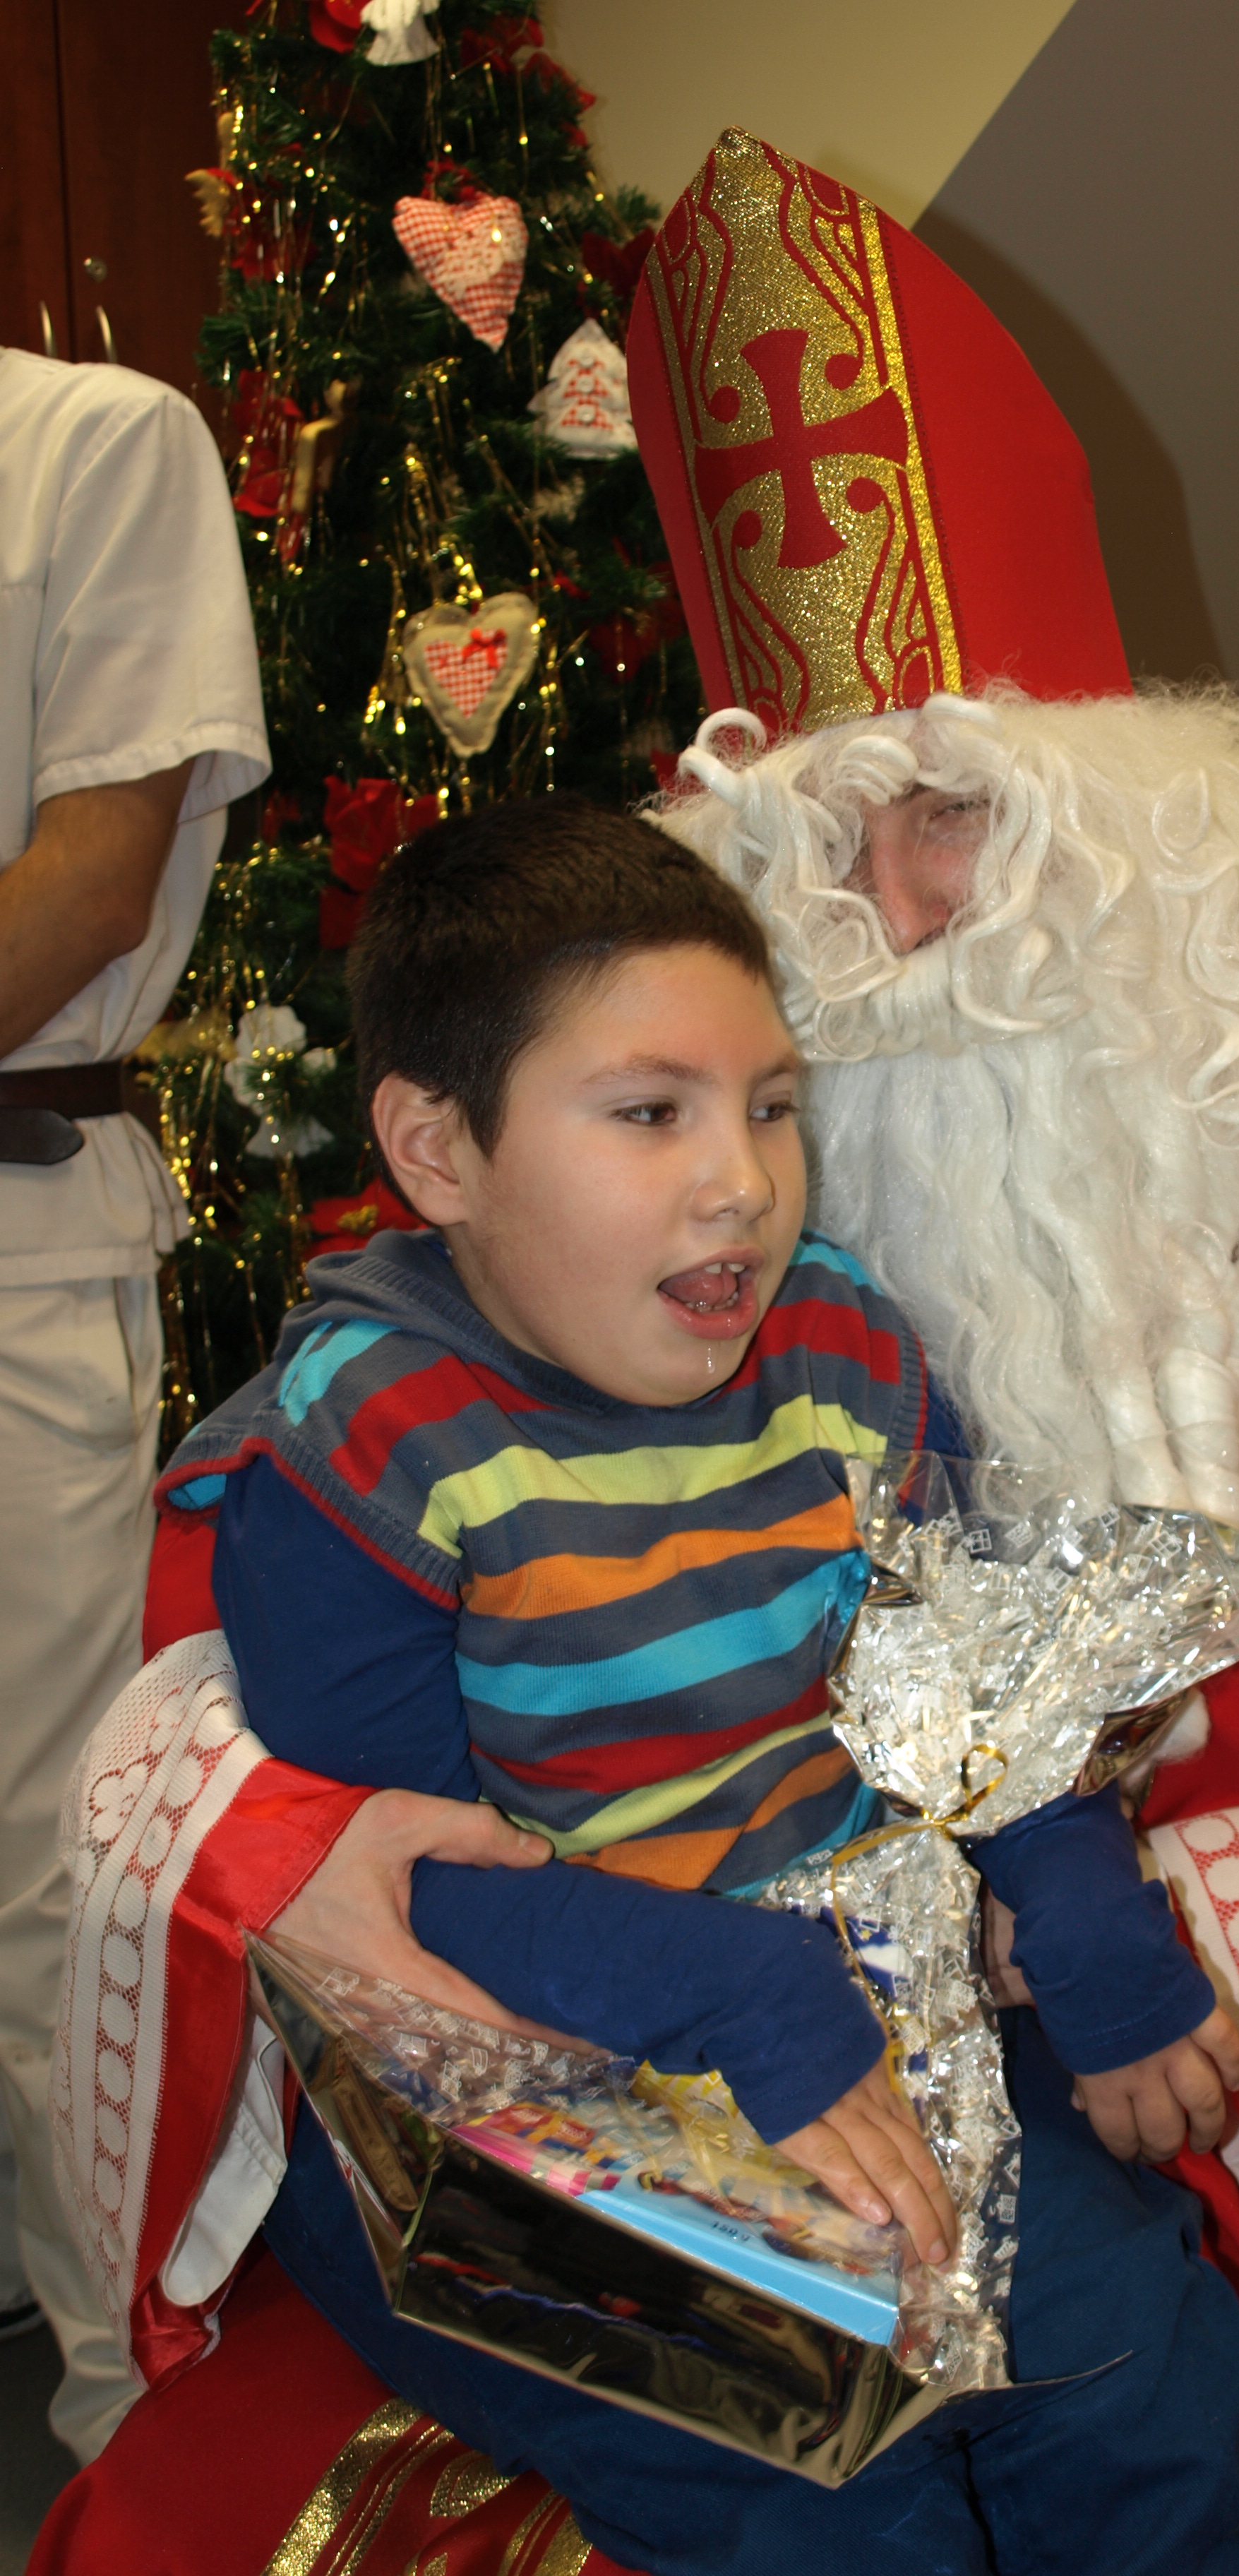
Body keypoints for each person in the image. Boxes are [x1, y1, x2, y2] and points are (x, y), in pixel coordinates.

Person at [40, 132, 1239, 2576]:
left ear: (1150, 843)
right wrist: (292, 1855)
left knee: (1131, 2419)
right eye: (830, 837)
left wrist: (1092, 1933)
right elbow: (258, 1649)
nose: (902, 914)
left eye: (960, 817)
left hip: (1189, 2102)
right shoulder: (580, 1264)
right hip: (632, 2064)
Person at [103, 790, 1239, 2575]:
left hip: (854, 2006)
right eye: (652, 1113)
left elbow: (964, 1676)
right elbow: (398, 1887)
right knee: (820, 2487)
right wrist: (747, 2000)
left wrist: (1079, 1900)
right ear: (437, 1150)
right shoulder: (355, 1461)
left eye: (771, 1106)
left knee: (1138, 2370)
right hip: (510, 2074)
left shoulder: (837, 1344)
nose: (742, 1178)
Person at [0, 345, 268, 2463]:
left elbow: (91, 881)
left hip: (10, 1232)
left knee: (36, 1853)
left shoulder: (87, 443)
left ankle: (122, 2418)